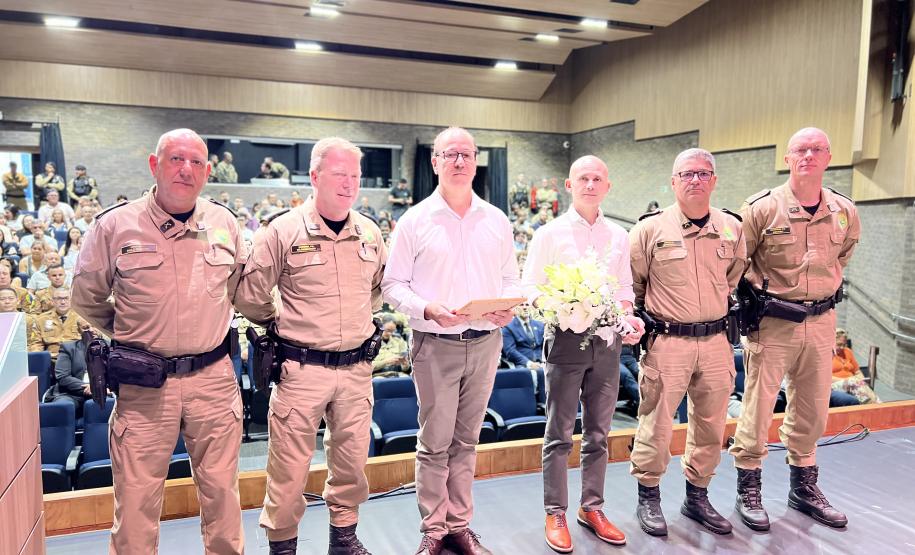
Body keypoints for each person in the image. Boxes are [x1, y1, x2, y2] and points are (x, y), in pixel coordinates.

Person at [71, 128, 247, 553]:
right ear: (154, 165)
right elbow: (86, 298)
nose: (186, 170)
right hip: (146, 387)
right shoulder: (115, 225)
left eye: (195, 163)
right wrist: (136, 337)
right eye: (175, 159)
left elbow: (237, 284)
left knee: (223, 497)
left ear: (207, 172)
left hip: (213, 381)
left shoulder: (224, 222)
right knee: (135, 503)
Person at [236, 137, 386, 555]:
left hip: (356, 370)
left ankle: (344, 539)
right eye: (340, 174)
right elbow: (250, 294)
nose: (349, 183)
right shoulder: (282, 231)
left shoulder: (370, 233)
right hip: (301, 370)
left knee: (352, 463)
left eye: (355, 176)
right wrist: (278, 323)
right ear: (316, 177)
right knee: (287, 467)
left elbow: (376, 290)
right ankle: (283, 548)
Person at [382, 126, 520, 555]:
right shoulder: (415, 220)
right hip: (435, 343)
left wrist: (508, 308)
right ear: (435, 162)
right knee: (435, 441)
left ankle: (459, 524)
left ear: (476, 160)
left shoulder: (496, 220)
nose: (460, 161)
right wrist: (427, 307)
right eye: (450, 154)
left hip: (485, 342)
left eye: (466, 154)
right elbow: (392, 285)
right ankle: (433, 528)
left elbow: (511, 278)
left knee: (467, 440)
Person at [729, 127, 861, 531]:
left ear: (828, 156)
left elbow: (845, 253)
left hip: (822, 321)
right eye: (800, 149)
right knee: (757, 408)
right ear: (787, 158)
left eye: (816, 149)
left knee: (814, 409)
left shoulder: (843, 210)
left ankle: (803, 487)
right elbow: (738, 263)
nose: (808, 155)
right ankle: (748, 488)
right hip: (773, 323)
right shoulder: (762, 208)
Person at [522, 155, 644, 552]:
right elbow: (531, 290)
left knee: (599, 432)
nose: (590, 184)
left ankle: (592, 507)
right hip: (565, 340)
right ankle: (555, 509)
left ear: (607, 186)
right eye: (582, 179)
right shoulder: (549, 234)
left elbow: (624, 289)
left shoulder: (619, 236)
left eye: (597, 179)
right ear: (569, 186)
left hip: (607, 344)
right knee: (559, 432)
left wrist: (629, 318)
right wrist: (564, 305)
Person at [628, 148, 747, 536]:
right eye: (687, 174)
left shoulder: (731, 227)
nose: (695, 180)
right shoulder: (649, 229)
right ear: (673, 181)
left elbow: (732, 276)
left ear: (714, 181)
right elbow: (635, 285)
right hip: (668, 342)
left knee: (711, 424)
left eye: (703, 173)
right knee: (657, 424)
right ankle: (649, 496)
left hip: (716, 341)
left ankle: (697, 497)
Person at [45, 322, 100, 413]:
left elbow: (114, 376)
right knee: (63, 407)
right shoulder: (68, 348)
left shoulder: (110, 348)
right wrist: (90, 388)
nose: (91, 330)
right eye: (85, 328)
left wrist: (99, 387)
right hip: (70, 393)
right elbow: (63, 376)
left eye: (94, 326)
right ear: (79, 331)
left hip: (101, 391)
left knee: (105, 403)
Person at [27, 286, 84, 362]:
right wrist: (38, 358)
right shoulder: (41, 319)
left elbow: (92, 339)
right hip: (52, 360)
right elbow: (36, 343)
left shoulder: (82, 317)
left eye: (66, 298)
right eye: (59, 299)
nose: (63, 302)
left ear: (71, 300)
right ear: (53, 301)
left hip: (77, 359)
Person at [832, 329, 878, 404]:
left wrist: (861, 380)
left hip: (852, 382)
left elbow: (857, 372)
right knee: (853, 382)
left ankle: (878, 404)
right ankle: (868, 405)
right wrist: (848, 379)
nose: (842, 347)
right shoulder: (827, 354)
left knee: (864, 386)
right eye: (839, 344)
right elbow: (826, 378)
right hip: (835, 384)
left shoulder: (848, 351)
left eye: (844, 344)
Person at [500, 304, 544, 370]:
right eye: (521, 305)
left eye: (527, 305)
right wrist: (529, 363)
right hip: (522, 365)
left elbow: (546, 347)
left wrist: (546, 362)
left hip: (542, 363)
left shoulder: (540, 325)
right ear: (515, 309)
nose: (525, 307)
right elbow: (510, 351)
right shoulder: (508, 327)